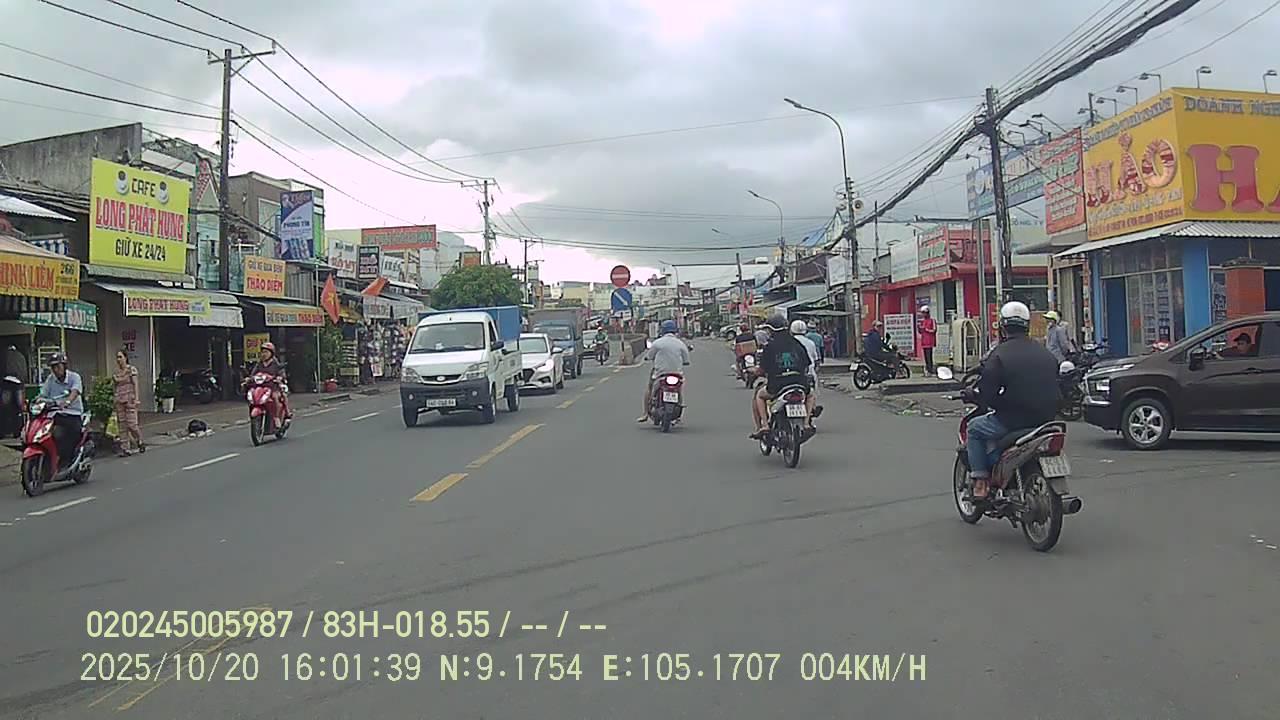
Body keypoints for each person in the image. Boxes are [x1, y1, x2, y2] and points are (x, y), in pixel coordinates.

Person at [964, 301, 1059, 501]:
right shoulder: (1046, 353)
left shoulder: (999, 354)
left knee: (974, 428)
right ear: (1027, 325)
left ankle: (980, 481)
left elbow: (988, 394)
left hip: (1013, 420)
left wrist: (975, 395)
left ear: (1003, 327)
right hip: (1047, 419)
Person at [751, 314, 812, 439]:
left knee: (759, 395)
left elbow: (761, 370)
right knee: (810, 395)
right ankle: (806, 424)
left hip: (777, 385)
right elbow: (806, 365)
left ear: (771, 330)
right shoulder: (797, 343)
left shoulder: (769, 346)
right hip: (799, 383)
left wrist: (754, 371)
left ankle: (765, 425)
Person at [636, 320, 690, 422]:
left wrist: (648, 358)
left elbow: (649, 356)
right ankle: (678, 414)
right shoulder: (681, 344)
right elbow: (686, 360)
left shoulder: (657, 343)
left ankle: (645, 413)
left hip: (660, 373)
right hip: (677, 374)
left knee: (650, 388)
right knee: (678, 391)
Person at [38, 352, 84, 464]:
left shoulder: (74, 377)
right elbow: (43, 394)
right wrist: (38, 400)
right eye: (53, 367)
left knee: (73, 432)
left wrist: (67, 401)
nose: (55, 369)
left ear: (64, 366)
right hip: (54, 414)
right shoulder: (50, 379)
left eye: (58, 366)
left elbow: (75, 391)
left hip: (72, 413)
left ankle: (69, 459)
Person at [246, 342, 292, 420]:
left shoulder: (275, 363)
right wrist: (249, 378)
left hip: (273, 387)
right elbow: (253, 374)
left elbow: (281, 372)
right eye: (263, 352)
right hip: (260, 387)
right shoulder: (259, 364)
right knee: (252, 396)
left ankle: (277, 417)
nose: (264, 354)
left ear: (271, 353)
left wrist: (279, 378)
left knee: (275, 397)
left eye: (266, 352)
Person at [112, 348, 144, 456]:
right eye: (117, 357)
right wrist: (114, 398)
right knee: (122, 425)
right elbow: (115, 387)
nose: (118, 359)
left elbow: (135, 384)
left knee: (132, 424)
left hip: (130, 399)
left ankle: (139, 440)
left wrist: (137, 398)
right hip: (119, 399)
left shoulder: (131, 370)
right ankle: (125, 448)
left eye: (120, 357)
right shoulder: (116, 373)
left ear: (125, 358)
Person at [790, 319, 821, 429]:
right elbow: (816, 360)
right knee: (811, 394)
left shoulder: (789, 342)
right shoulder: (810, 343)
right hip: (809, 373)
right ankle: (808, 419)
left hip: (791, 374)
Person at [917, 306, 938, 374]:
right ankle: (927, 370)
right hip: (924, 342)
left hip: (930, 342)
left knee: (929, 357)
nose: (923, 314)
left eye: (924, 313)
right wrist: (919, 329)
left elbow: (934, 330)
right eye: (922, 313)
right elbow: (920, 332)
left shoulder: (932, 321)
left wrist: (926, 330)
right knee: (925, 357)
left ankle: (930, 370)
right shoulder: (922, 321)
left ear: (927, 313)